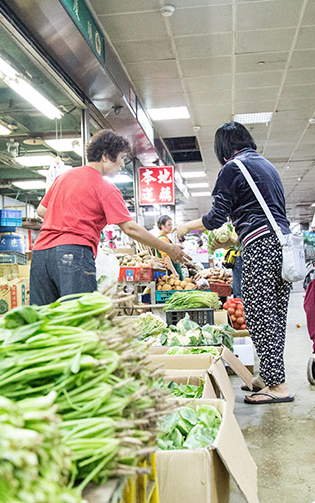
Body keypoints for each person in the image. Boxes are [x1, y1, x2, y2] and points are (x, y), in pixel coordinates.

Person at [176, 121, 293, 405]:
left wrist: (186, 227)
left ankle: (278, 386)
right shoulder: (266, 165)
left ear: (223, 147)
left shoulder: (232, 167)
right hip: (282, 247)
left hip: (260, 247)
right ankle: (269, 376)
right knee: (275, 314)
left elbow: (216, 217)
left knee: (259, 314)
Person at [30, 129, 188, 305]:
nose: (122, 164)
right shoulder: (105, 187)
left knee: (44, 317)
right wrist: (169, 248)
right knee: (80, 316)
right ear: (105, 156)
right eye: (121, 157)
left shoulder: (63, 177)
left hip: (40, 254)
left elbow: (41, 210)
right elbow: (130, 228)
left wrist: (67, 219)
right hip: (74, 253)